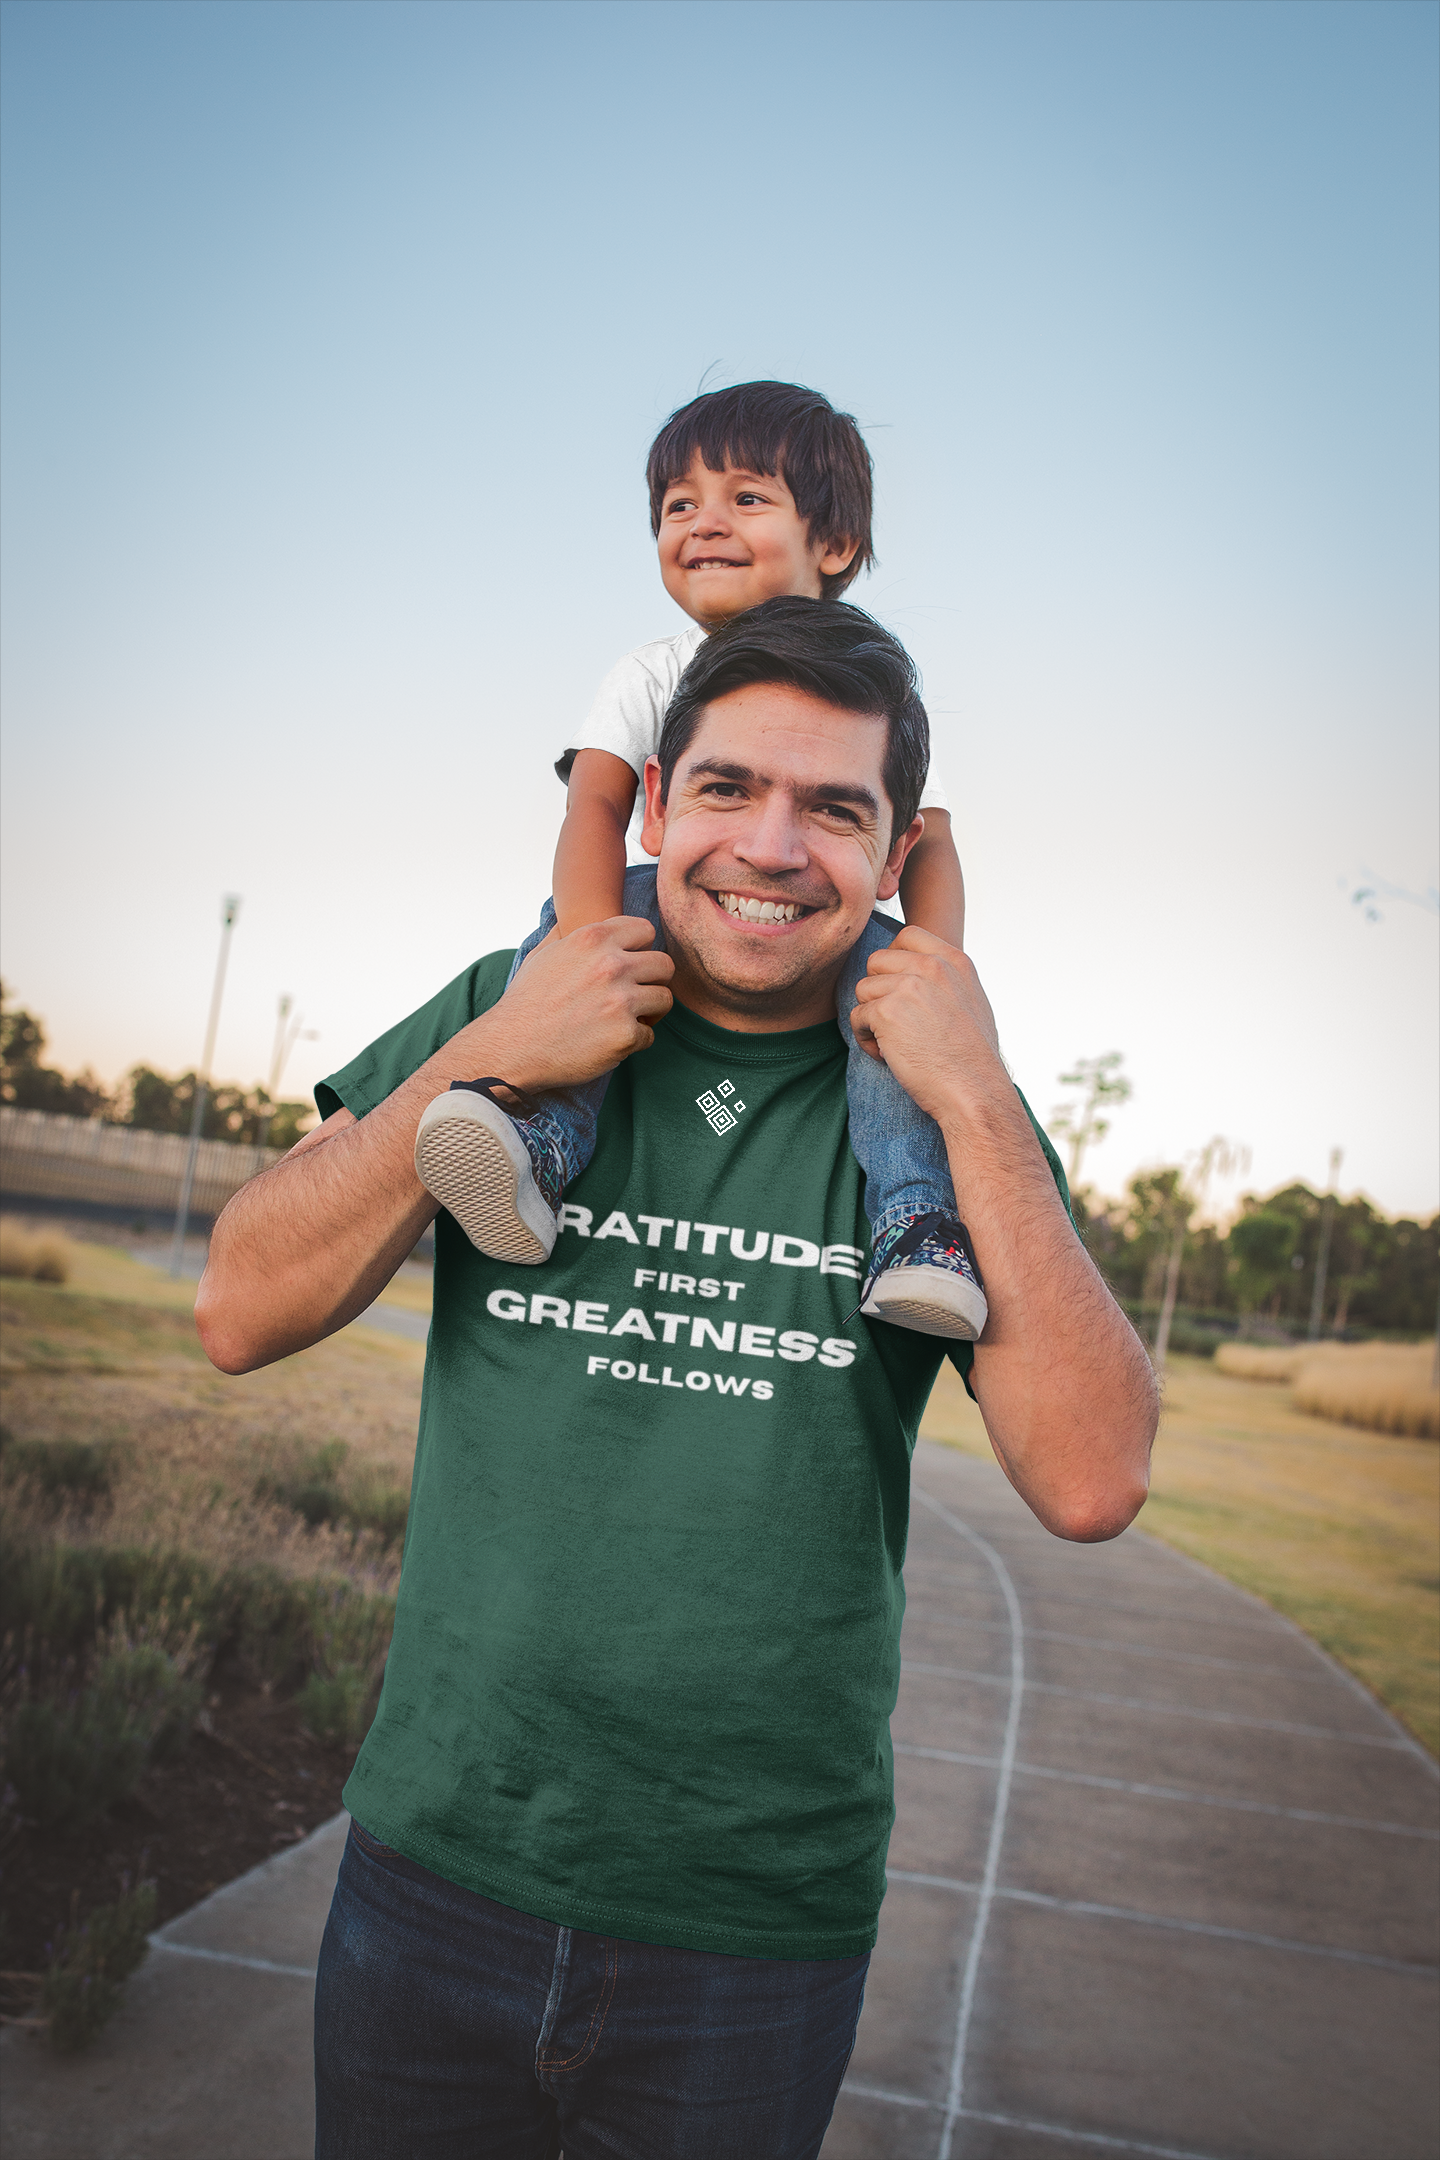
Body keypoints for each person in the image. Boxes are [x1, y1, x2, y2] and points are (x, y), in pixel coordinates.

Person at [196, 599, 1157, 2160]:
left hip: (750, 1929)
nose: (772, 846)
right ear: (653, 804)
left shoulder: (934, 1102)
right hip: (437, 1862)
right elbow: (239, 1308)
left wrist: (976, 1095)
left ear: (897, 850)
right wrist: (494, 1046)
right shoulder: (503, 1019)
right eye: (727, 790)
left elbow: (1092, 1478)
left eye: (834, 809)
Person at [413, 380, 988, 1342]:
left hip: (828, 935)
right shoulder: (651, 669)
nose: (704, 523)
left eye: (747, 499)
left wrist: (928, 978)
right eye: (680, 505)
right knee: (559, 950)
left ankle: (916, 1227)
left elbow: (930, 839)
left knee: (891, 1039)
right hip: (654, 905)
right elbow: (593, 807)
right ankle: (542, 1137)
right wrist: (589, 951)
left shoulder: (870, 682)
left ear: (834, 545)